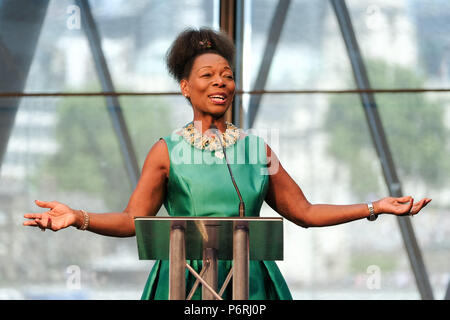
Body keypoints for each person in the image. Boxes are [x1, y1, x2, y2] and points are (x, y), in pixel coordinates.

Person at [23, 27, 432, 300]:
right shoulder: (166, 152)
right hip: (182, 285)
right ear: (185, 87)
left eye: (227, 74)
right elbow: (134, 221)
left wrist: (375, 207)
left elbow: (304, 212)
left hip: (251, 286)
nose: (220, 81)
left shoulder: (258, 153)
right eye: (207, 75)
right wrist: (77, 217)